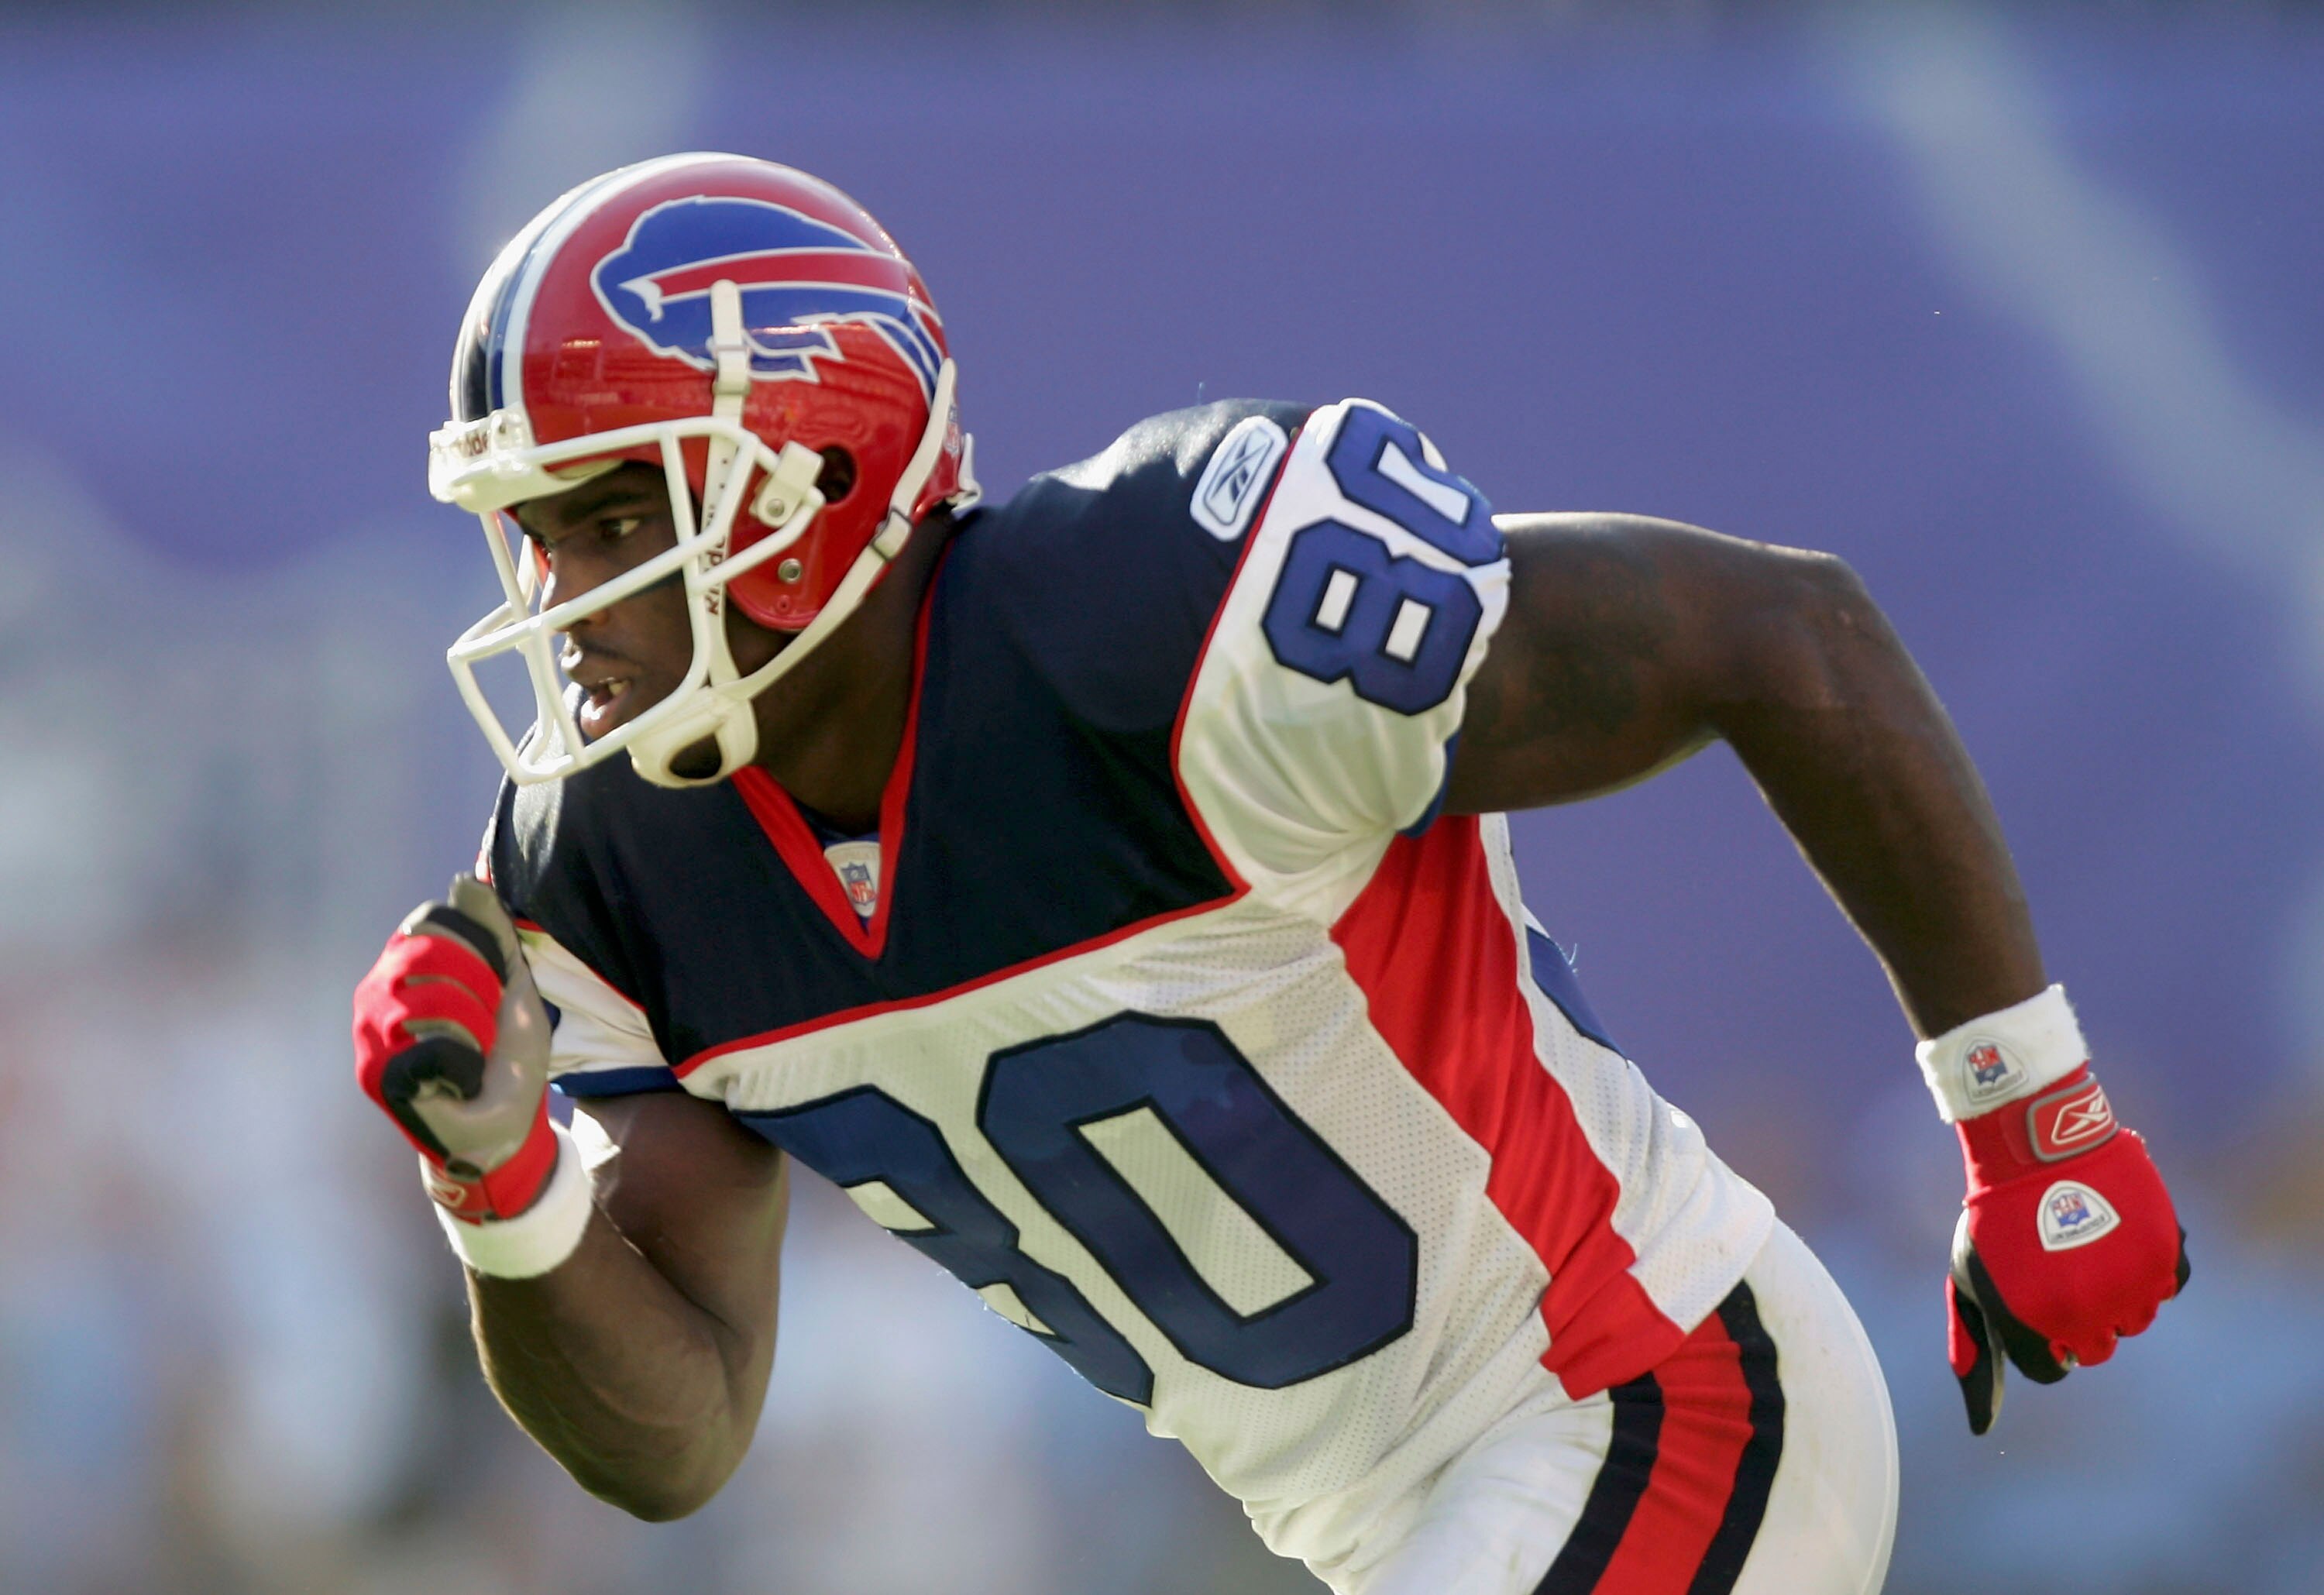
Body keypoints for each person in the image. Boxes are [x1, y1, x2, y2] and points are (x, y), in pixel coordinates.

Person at [352, 154, 2187, 1595]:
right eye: (534, 528)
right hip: (1406, 1535)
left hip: (1657, 1397)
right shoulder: (614, 866)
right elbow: (677, 1440)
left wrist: (2032, 1113)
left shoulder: (1154, 625)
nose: (561, 598)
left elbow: (1790, 634)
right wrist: (503, 1187)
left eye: (614, 515)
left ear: (807, 474)